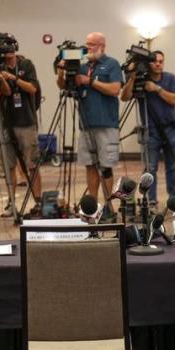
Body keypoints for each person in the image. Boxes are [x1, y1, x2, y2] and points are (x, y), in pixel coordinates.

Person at [60, 32, 123, 221]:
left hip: (106, 124)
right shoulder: (81, 66)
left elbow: (115, 89)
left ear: (102, 45)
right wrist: (61, 71)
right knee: (89, 165)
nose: (89, 48)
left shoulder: (111, 64)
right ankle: (92, 207)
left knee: (106, 166)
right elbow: (64, 87)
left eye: (92, 44)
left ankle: (108, 206)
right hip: (85, 125)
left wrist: (91, 82)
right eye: (87, 44)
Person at [121, 50, 175, 204]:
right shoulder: (141, 79)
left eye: (161, 61)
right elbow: (125, 97)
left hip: (170, 129)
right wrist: (132, 79)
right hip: (150, 130)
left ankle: (174, 200)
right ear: (148, 63)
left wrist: (157, 89)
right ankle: (151, 201)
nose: (158, 64)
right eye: (155, 61)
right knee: (150, 169)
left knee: (172, 169)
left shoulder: (170, 78)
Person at [0, 49, 42, 216]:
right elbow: (6, 92)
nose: (7, 53)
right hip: (6, 122)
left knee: (32, 164)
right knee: (9, 165)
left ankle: (38, 202)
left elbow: (32, 89)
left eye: (10, 49)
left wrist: (13, 77)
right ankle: (12, 203)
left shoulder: (26, 64)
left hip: (26, 121)